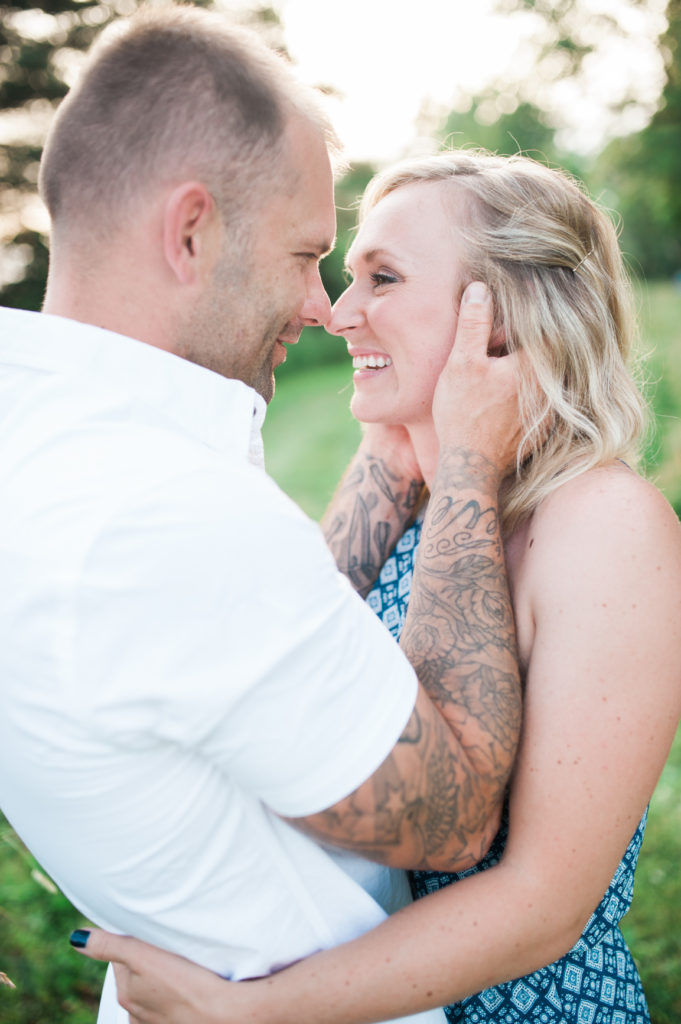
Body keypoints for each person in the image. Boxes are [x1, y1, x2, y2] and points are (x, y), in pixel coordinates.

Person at [0, 10, 526, 1024]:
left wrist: (390, 440)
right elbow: (456, 816)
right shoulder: (158, 510)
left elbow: (276, 647)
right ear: (191, 230)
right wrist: (464, 468)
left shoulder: (49, 442)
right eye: (304, 255)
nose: (325, 305)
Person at [74, 151, 681, 1023]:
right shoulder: (422, 496)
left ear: (497, 318)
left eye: (381, 279)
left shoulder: (606, 528)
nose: (335, 311)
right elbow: (298, 662)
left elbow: (544, 905)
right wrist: (403, 446)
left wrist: (245, 1014)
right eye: (344, 277)